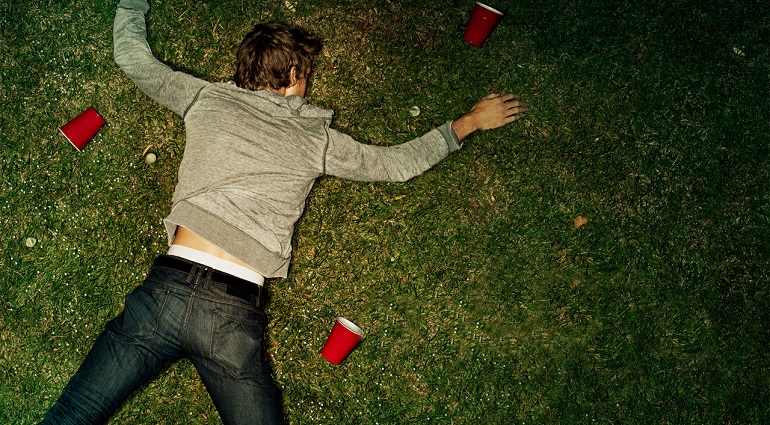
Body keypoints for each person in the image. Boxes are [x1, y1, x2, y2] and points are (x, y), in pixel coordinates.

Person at [40, 0, 527, 423]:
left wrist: (133, 3)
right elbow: (396, 165)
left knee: (74, 414)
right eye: (307, 74)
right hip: (231, 314)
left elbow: (132, 57)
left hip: (164, 291)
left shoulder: (205, 98)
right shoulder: (315, 139)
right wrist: (468, 122)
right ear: (294, 76)